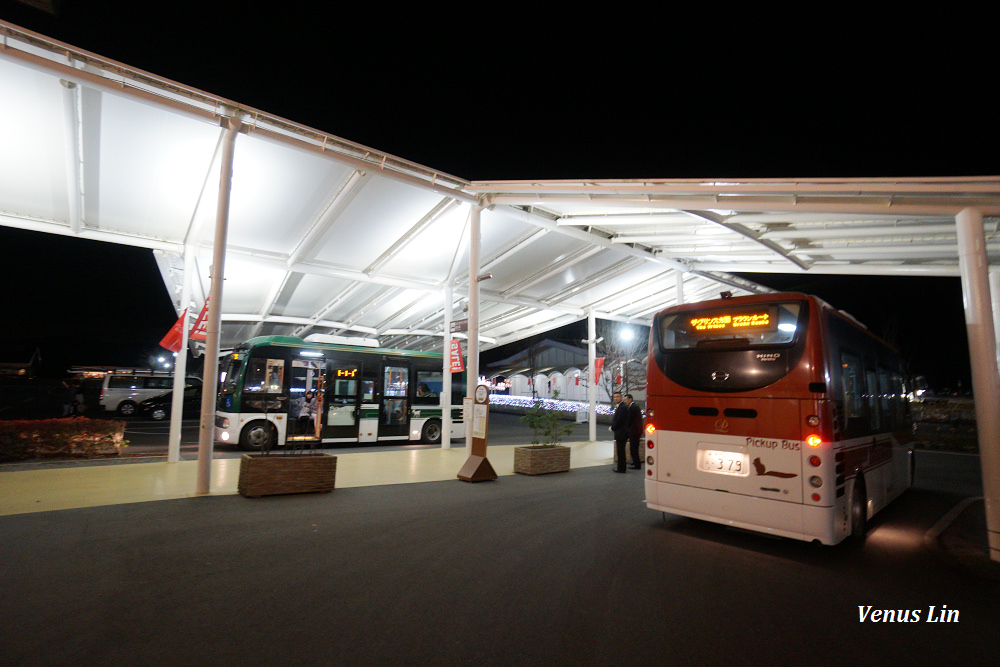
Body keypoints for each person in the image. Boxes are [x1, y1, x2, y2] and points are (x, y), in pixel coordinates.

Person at [610, 392, 629, 472]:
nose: (616, 398)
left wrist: (612, 427)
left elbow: (619, 420)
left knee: (621, 451)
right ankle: (621, 467)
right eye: (614, 397)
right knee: (620, 451)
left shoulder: (622, 407)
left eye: (617, 397)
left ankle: (621, 468)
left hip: (621, 433)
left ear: (621, 398)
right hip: (621, 433)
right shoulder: (620, 407)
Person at [624, 394, 643, 469]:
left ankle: (637, 464)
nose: (625, 401)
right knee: (634, 448)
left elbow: (630, 419)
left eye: (626, 400)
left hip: (634, 431)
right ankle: (635, 462)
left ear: (630, 399)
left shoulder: (632, 407)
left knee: (633, 448)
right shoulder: (634, 407)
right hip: (636, 430)